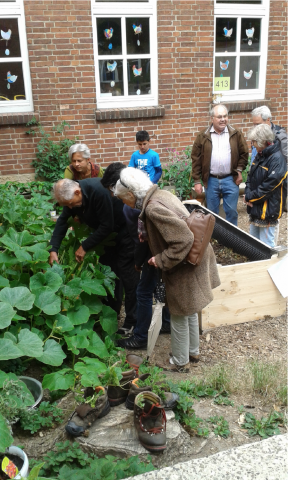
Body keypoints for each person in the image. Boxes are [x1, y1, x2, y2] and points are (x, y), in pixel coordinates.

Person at [113, 168, 220, 372]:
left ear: (130, 195)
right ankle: (193, 351)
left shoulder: (153, 208)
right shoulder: (162, 194)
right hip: (194, 256)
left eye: (122, 199)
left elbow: (184, 239)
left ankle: (179, 362)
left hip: (184, 261)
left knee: (179, 313)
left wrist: (160, 259)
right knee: (189, 309)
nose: (123, 203)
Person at [49, 178, 138, 327]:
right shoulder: (71, 198)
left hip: (124, 232)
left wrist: (84, 246)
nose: (71, 207)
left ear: (77, 191)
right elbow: (62, 222)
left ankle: (132, 322)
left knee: (127, 275)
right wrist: (53, 249)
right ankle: (112, 316)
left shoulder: (98, 191)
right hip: (105, 237)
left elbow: (107, 225)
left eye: (71, 203)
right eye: (67, 205)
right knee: (109, 274)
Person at [101, 162, 171, 349]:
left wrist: (138, 263)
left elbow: (140, 240)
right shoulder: (155, 193)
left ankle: (140, 336)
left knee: (143, 292)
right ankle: (166, 322)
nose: (113, 195)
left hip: (151, 254)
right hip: (165, 252)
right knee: (161, 288)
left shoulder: (131, 208)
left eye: (112, 189)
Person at [191, 104, 249, 226]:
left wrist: (239, 171)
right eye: (219, 117)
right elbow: (196, 159)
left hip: (231, 179)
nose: (223, 119)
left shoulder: (236, 134)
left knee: (232, 212)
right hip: (211, 180)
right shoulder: (203, 136)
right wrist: (197, 181)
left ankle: (231, 239)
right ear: (212, 118)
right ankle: (214, 239)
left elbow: (244, 154)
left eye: (225, 116)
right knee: (211, 213)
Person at [244, 124, 287, 248]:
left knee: (267, 249)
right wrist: (248, 194)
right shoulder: (260, 155)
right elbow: (250, 178)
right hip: (255, 209)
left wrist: (249, 197)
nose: (253, 145)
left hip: (268, 212)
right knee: (253, 246)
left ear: (263, 142)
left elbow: (268, 187)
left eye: (254, 142)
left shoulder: (277, 160)